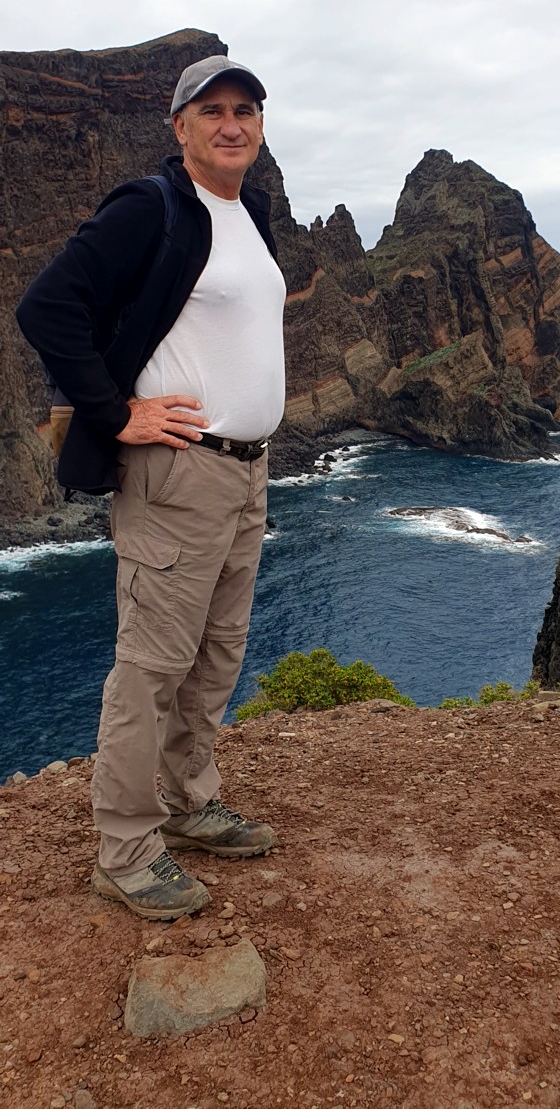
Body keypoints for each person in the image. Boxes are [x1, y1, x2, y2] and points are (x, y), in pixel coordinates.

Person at [16, 54, 287, 920]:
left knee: (216, 654)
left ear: (260, 125)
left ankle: (187, 802)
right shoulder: (151, 206)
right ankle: (126, 849)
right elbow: (46, 308)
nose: (231, 124)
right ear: (180, 126)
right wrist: (114, 411)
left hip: (247, 471)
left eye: (245, 110)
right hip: (179, 472)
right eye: (213, 110)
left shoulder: (252, 214)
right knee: (153, 666)